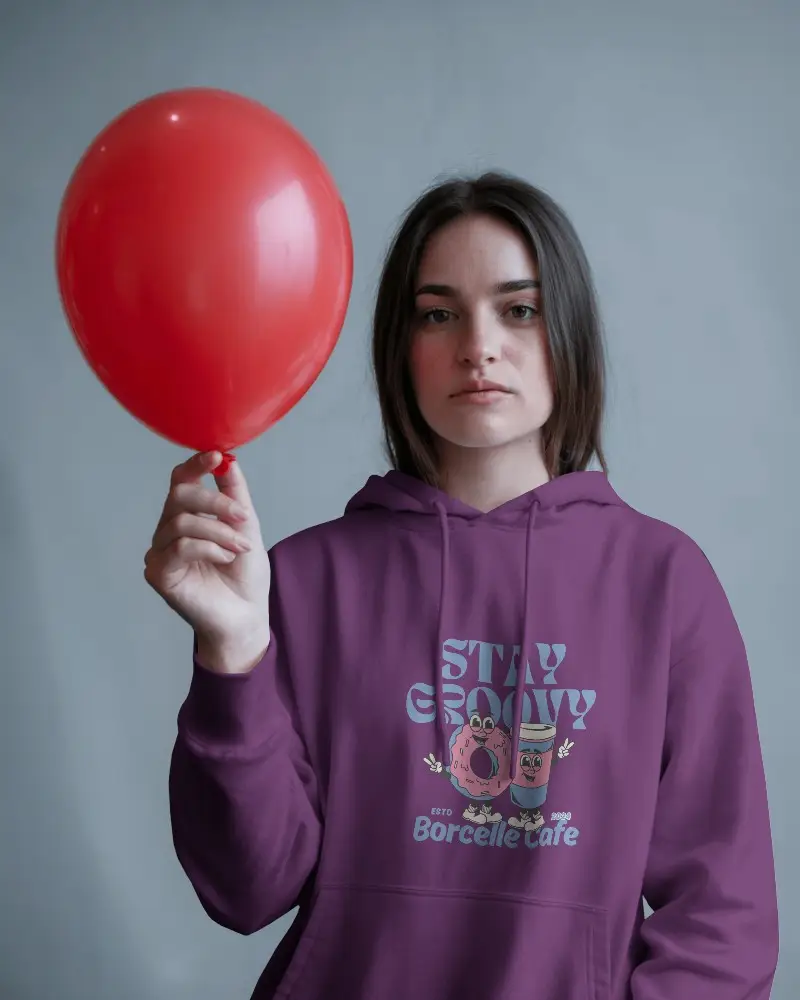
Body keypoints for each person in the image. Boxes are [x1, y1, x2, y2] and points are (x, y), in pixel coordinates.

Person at [145, 173, 779, 999]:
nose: (479, 346)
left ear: (568, 333)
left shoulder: (663, 583)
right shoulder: (301, 581)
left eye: (519, 309)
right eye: (438, 315)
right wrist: (231, 652)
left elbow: (726, 919)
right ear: (399, 345)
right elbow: (245, 888)